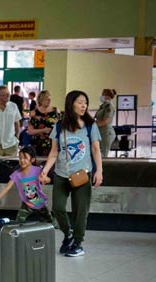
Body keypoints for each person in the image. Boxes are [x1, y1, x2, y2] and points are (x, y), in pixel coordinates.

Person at [39, 90, 103, 257]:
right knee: (58, 208)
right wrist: (45, 171)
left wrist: (99, 171)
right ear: (71, 104)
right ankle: (68, 235)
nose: (84, 106)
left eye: (85, 102)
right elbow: (54, 152)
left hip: (82, 174)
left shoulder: (90, 125)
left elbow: (96, 149)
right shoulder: (59, 126)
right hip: (61, 174)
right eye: (80, 102)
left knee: (80, 210)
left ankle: (78, 242)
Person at [0, 145, 55, 224]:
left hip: (39, 203)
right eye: (20, 158)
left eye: (25, 158)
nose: (22, 160)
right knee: (18, 223)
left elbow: (48, 179)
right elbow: (7, 188)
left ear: (32, 159)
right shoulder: (16, 174)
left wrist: (46, 179)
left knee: (50, 222)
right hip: (26, 204)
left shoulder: (38, 170)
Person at [27, 90, 59, 159]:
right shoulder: (34, 113)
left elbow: (61, 126)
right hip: (38, 144)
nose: (49, 101)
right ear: (41, 100)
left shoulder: (56, 111)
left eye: (50, 99)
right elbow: (30, 131)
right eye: (46, 99)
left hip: (53, 144)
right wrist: (43, 130)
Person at [95, 88, 117, 158]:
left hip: (106, 134)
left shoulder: (109, 107)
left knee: (103, 155)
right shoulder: (103, 106)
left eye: (103, 94)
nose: (101, 96)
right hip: (100, 132)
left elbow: (106, 121)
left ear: (107, 96)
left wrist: (93, 125)